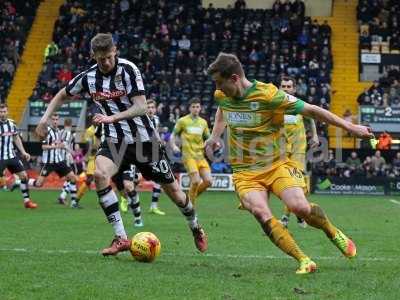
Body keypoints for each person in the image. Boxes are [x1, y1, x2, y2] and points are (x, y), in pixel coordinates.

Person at [35, 33, 207, 256]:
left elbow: (141, 106)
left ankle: (195, 227)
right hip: (116, 141)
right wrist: (44, 119)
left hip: (146, 142)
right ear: (93, 56)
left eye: (108, 57)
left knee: (174, 192)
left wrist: (111, 118)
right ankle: (122, 238)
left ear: (115, 51)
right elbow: (61, 94)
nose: (105, 62)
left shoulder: (128, 70)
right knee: (99, 175)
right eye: (100, 59)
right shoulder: (88, 77)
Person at [205, 53, 373, 274]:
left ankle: (333, 232)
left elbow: (312, 110)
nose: (217, 88)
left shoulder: (269, 95)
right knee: (261, 213)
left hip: (276, 166)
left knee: (300, 207)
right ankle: (303, 260)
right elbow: (222, 110)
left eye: (220, 82)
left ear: (234, 78)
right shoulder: (222, 94)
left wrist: (352, 128)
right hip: (245, 173)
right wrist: (214, 136)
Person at [278, 76, 319, 229]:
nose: (286, 89)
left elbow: (311, 118)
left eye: (289, 86)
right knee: (291, 187)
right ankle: (291, 216)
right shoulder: (276, 106)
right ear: (280, 88)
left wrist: (314, 135)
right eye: (283, 86)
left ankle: (288, 217)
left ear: (294, 89)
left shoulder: (299, 106)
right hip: (281, 153)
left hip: (297, 153)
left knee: (299, 187)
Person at [29, 113, 78, 207]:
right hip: (49, 162)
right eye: (53, 119)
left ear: (58, 120)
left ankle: (74, 203)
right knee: (39, 184)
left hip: (59, 161)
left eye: (57, 119)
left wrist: (63, 147)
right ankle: (21, 181)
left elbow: (60, 145)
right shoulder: (47, 131)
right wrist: (56, 146)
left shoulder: (59, 132)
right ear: (50, 121)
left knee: (72, 177)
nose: (55, 121)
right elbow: (43, 147)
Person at [170, 98, 213, 205]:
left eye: (197, 107)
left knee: (208, 181)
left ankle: (188, 198)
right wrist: (173, 145)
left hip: (200, 157)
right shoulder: (182, 121)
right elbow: (173, 135)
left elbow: (208, 138)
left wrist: (212, 143)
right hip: (188, 156)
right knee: (196, 181)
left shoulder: (203, 122)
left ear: (200, 108)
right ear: (189, 108)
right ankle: (191, 206)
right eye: (193, 107)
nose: (196, 109)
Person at [0, 104, 37, 208]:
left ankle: (27, 201)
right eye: (0, 112)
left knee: (24, 176)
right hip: (0, 157)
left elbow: (16, 139)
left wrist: (24, 152)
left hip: (12, 156)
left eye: (4, 111)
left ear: (7, 112)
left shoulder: (12, 125)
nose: (2, 114)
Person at [58, 118, 75, 205]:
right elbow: (64, 144)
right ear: (71, 124)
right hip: (65, 157)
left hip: (58, 156)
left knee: (69, 177)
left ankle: (62, 196)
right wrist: (71, 152)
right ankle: (64, 196)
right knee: (72, 177)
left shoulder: (60, 132)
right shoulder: (68, 133)